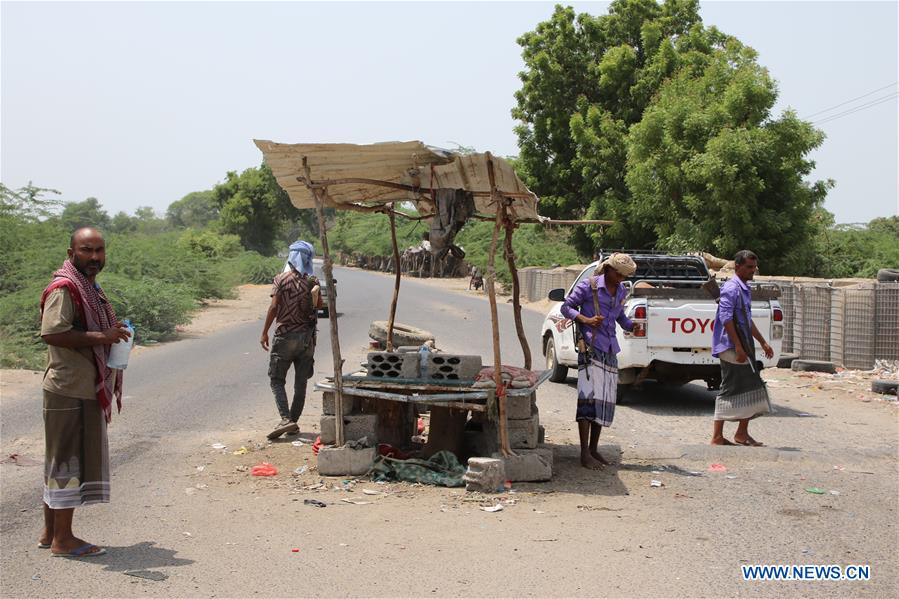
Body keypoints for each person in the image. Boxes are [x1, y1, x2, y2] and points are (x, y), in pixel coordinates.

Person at [38, 227, 131, 557]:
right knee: (67, 460)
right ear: (71, 253)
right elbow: (53, 332)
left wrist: (111, 337)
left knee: (61, 458)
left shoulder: (89, 287)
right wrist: (102, 337)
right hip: (69, 387)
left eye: (99, 250)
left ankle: (51, 532)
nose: (94, 257)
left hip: (78, 387)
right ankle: (63, 539)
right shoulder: (65, 287)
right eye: (87, 250)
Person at [561, 252, 637, 469]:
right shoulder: (589, 286)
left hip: (610, 349)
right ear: (610, 270)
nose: (622, 279)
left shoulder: (621, 290)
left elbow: (619, 317)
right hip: (590, 349)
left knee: (602, 402)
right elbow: (566, 307)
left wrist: (631, 325)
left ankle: (594, 449)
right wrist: (585, 319)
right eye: (620, 275)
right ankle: (584, 453)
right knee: (587, 401)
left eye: (624, 276)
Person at [710, 250, 774, 446]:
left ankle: (741, 433)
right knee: (730, 387)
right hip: (731, 345)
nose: (752, 271)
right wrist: (738, 347)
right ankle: (717, 437)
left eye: (754, 267)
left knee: (751, 385)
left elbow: (746, 320)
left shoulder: (744, 288)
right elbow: (726, 319)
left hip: (743, 344)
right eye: (749, 267)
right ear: (737, 267)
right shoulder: (731, 289)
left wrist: (762, 342)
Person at [260, 240, 321, 440]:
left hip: (284, 336)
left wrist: (264, 332)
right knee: (300, 383)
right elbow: (319, 305)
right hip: (306, 339)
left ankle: (286, 419)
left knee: (276, 380)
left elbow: (273, 307)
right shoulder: (312, 281)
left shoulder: (280, 280)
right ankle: (293, 422)